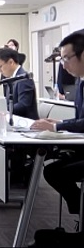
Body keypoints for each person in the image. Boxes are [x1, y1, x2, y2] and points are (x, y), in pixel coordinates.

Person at [31, 30, 84, 219]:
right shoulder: (80, 83)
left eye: (67, 58)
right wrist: (60, 122)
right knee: (52, 169)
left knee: (56, 173)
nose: (63, 65)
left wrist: (56, 127)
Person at [0, 48, 38, 120]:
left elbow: (23, 106)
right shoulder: (12, 78)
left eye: (0, 66)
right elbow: (8, 103)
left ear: (11, 62)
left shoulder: (24, 78)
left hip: (26, 122)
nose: (0, 71)